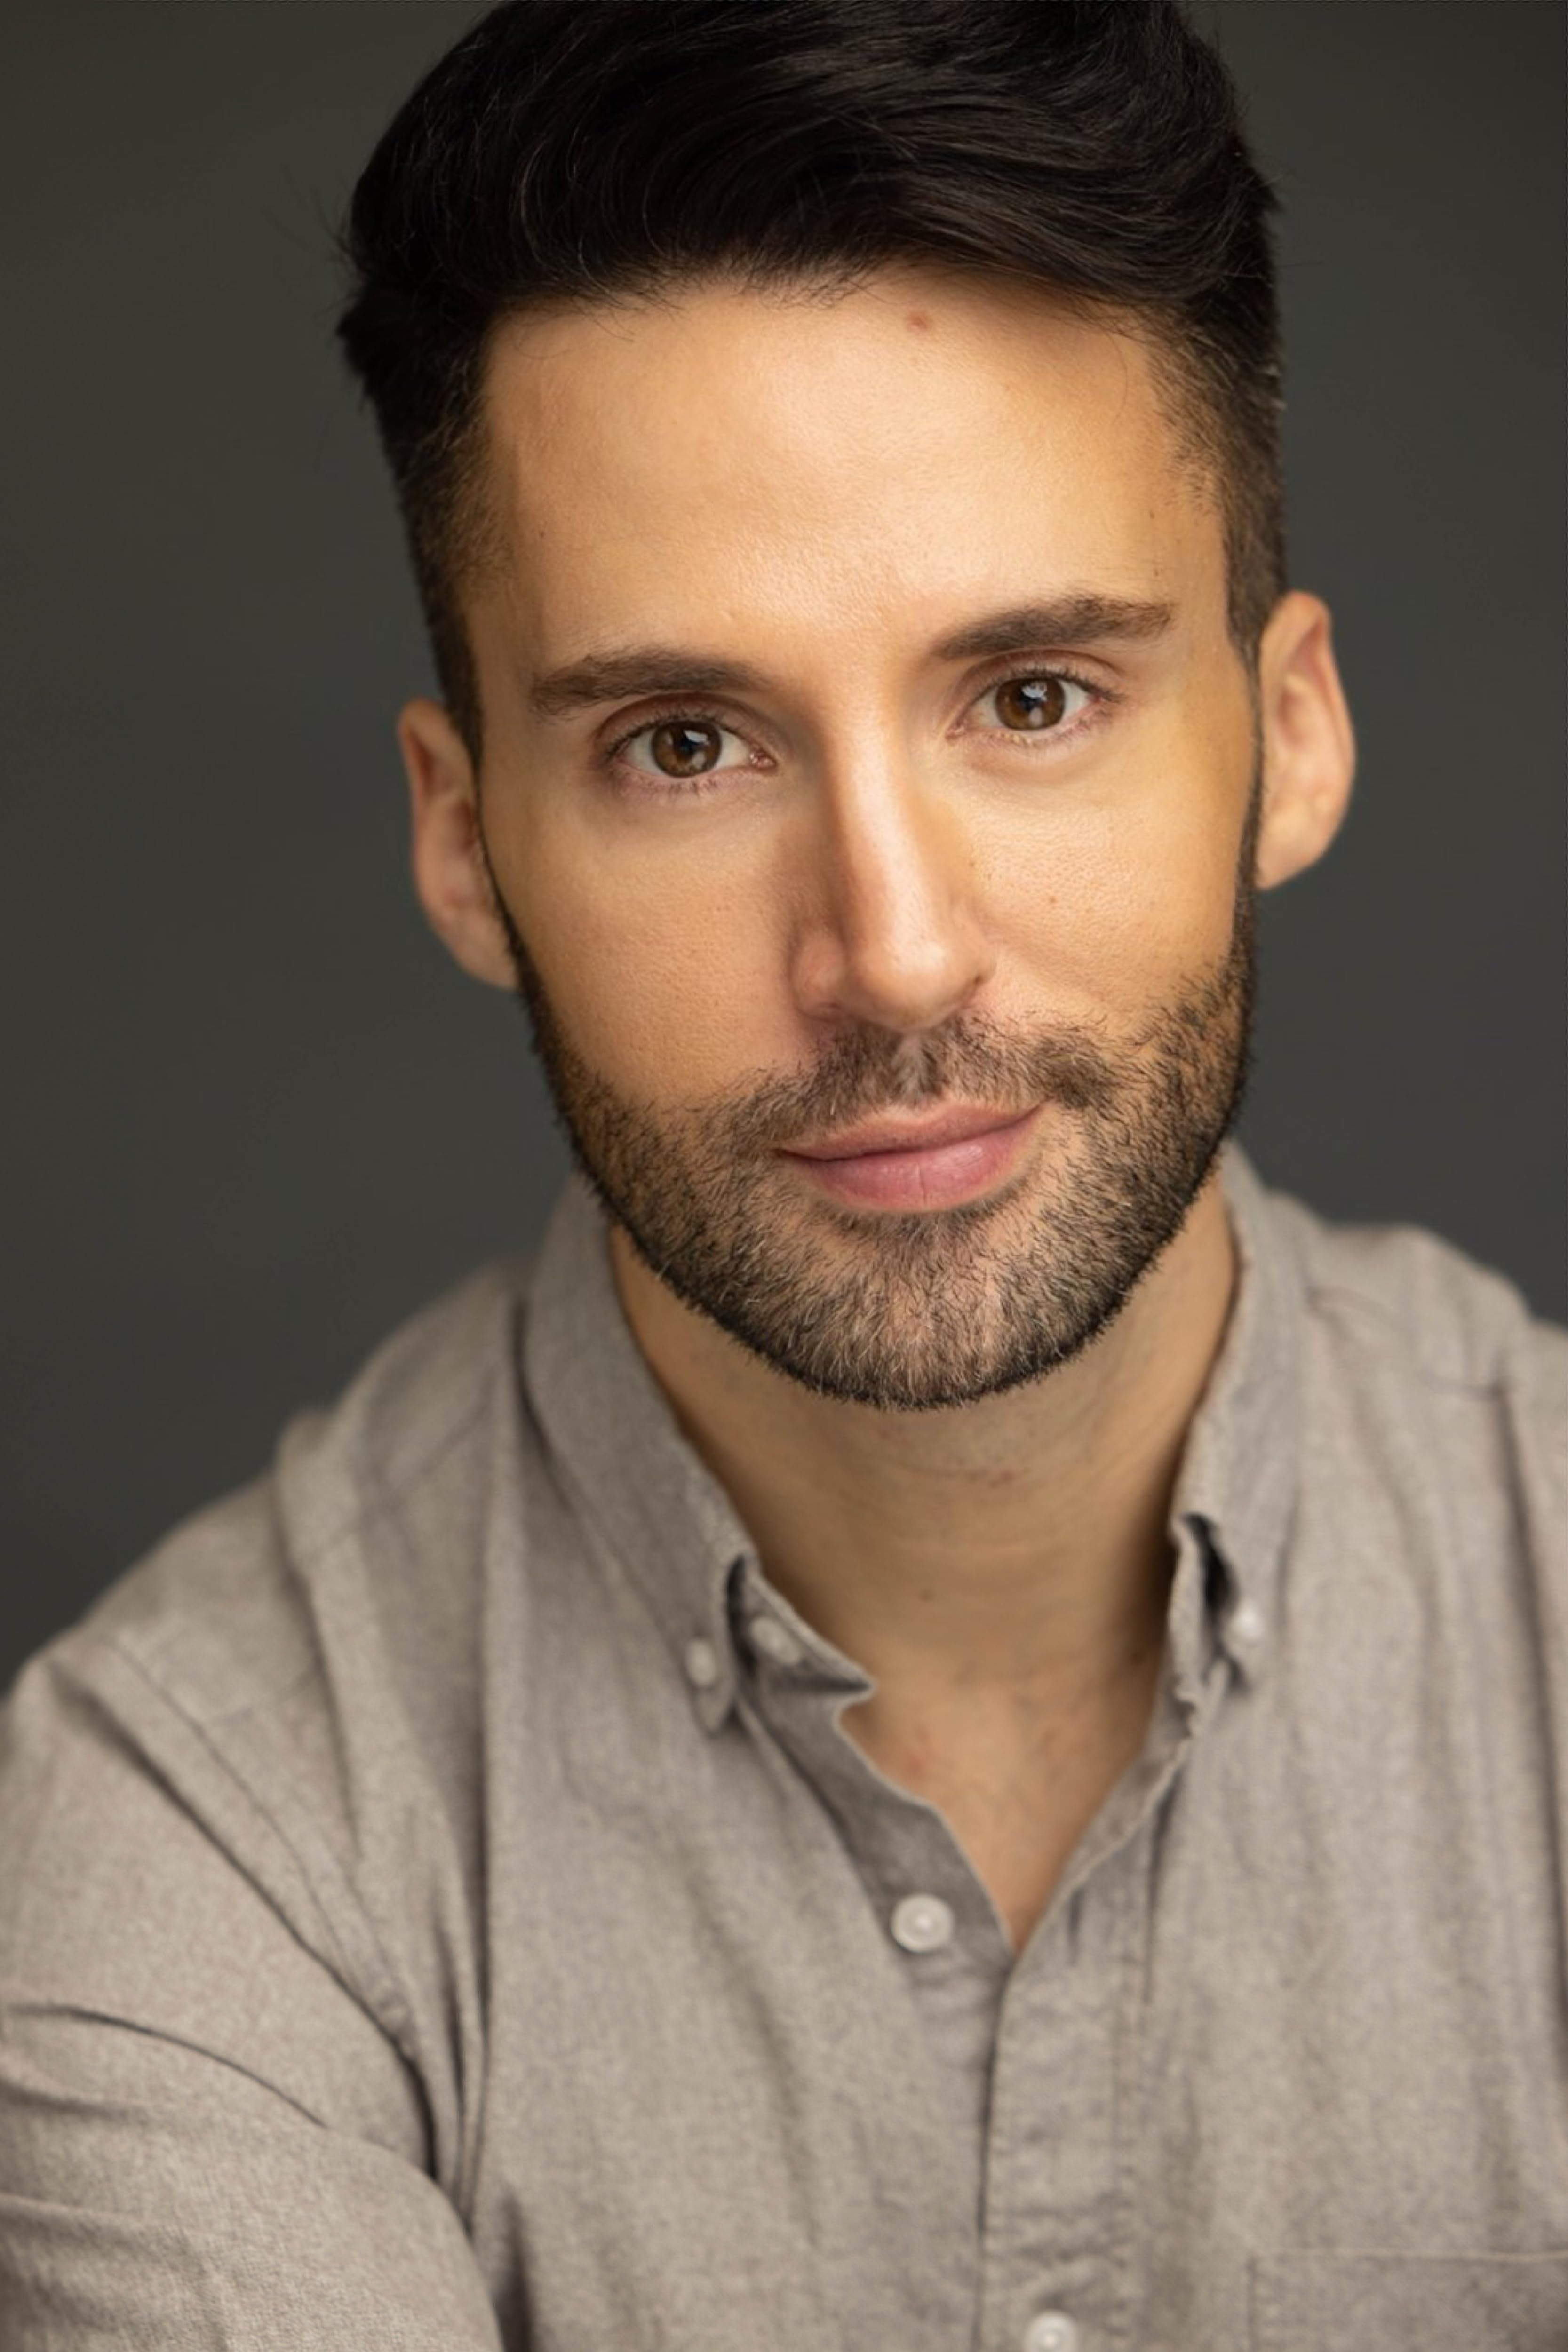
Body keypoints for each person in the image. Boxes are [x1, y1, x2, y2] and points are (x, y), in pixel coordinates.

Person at [0, 1, 1563, 2344]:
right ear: (466, 841)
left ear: (1294, 734)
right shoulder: (195, 1832)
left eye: (1032, 697)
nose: (892, 952)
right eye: (685, 743)